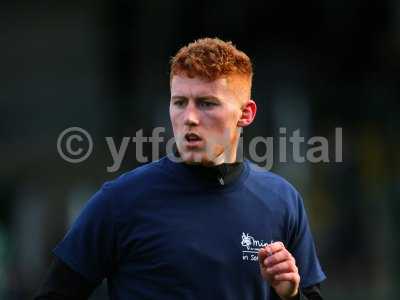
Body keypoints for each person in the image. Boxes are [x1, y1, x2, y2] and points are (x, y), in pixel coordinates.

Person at [35, 38, 326, 300]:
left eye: (206, 103)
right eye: (179, 103)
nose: (189, 118)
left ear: (246, 114)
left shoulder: (282, 200)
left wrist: (291, 295)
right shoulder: (122, 200)